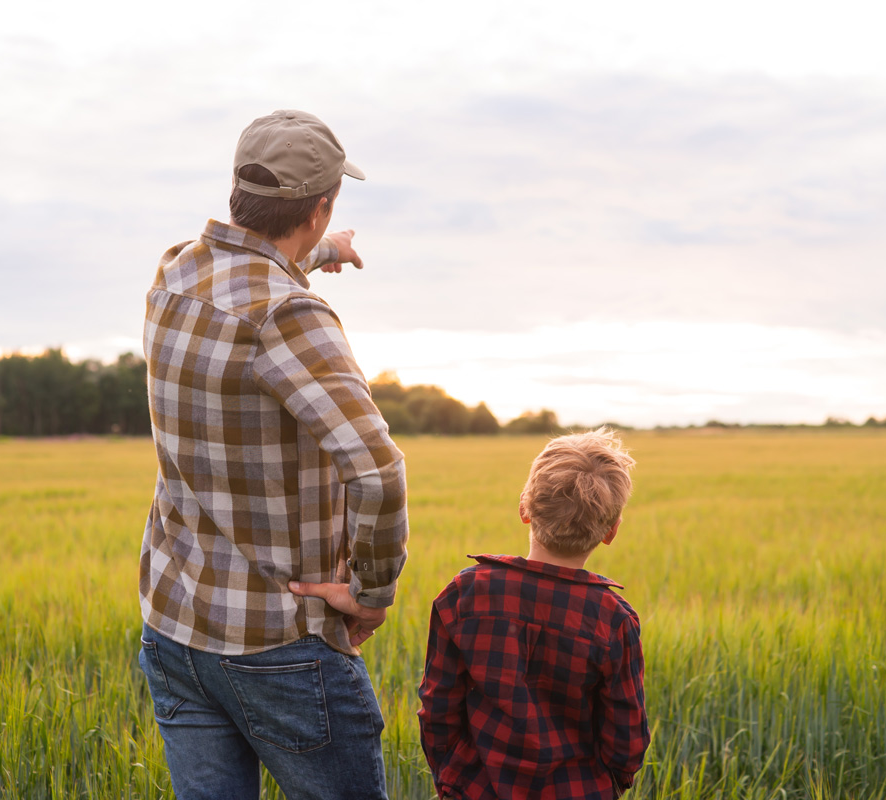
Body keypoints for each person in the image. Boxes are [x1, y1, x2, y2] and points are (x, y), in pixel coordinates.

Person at [138, 109, 408, 800]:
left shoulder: (174, 273)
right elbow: (377, 470)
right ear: (319, 207)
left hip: (176, 629)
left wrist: (320, 252)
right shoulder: (290, 315)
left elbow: (245, 270)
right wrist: (370, 594)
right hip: (279, 646)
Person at [418, 428, 649, 800]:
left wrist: (451, 776)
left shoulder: (466, 593)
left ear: (524, 507)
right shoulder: (613, 620)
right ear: (612, 530)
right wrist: (604, 787)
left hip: (474, 790)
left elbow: (437, 705)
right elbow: (627, 737)